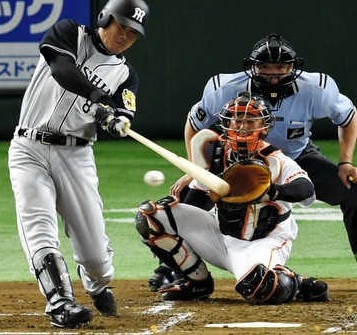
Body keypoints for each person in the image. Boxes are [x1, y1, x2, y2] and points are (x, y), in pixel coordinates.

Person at [149, 33, 357, 292]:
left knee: (352, 191)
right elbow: (194, 125)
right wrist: (197, 169)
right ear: (252, 67)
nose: (273, 74)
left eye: (280, 67)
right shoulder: (223, 89)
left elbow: (347, 116)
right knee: (186, 205)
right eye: (265, 67)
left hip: (295, 156)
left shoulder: (317, 90)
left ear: (292, 67)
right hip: (235, 158)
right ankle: (172, 269)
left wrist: (345, 162)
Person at [8, 0, 150, 328]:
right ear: (104, 18)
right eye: (121, 27)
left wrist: (114, 118)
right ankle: (59, 302)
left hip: (76, 155)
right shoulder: (69, 33)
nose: (124, 37)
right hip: (29, 147)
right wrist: (99, 100)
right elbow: (62, 69)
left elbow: (122, 110)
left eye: (132, 34)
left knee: (97, 258)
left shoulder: (126, 76)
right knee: (39, 226)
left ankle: (96, 282)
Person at [135, 93, 330, 304]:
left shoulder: (276, 160)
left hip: (263, 241)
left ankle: (298, 283)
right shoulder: (216, 155)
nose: (242, 127)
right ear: (226, 123)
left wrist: (272, 192)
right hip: (222, 237)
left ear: (264, 126)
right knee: (151, 217)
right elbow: (198, 199)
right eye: (237, 120)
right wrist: (174, 217)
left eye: (250, 121)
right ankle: (196, 283)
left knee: (262, 288)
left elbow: (306, 189)